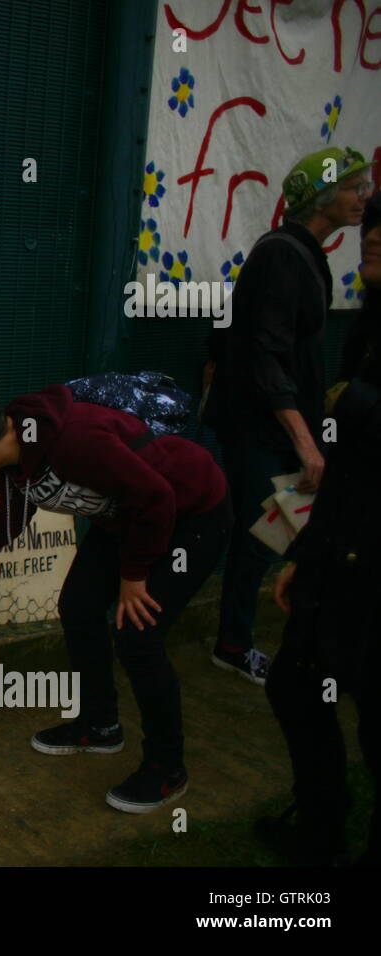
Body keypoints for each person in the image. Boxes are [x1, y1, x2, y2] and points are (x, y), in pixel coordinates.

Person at [0, 382, 232, 813]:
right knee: (78, 606)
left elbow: (156, 497)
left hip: (190, 514)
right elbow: (8, 522)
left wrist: (134, 575)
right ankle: (100, 724)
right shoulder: (15, 463)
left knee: (138, 636)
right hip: (125, 521)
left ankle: (167, 769)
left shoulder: (73, 441)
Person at [203, 146, 374, 686]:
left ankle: (236, 640)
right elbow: (267, 353)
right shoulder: (282, 254)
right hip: (264, 430)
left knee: (268, 537)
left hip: (274, 427)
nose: (364, 196)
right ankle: (233, 646)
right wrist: (303, 440)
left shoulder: (301, 253)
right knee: (260, 536)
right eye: (354, 187)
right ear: (321, 199)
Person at [258, 191, 381, 866]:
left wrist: (356, 405)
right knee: (297, 684)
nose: (373, 237)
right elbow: (351, 468)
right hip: (341, 546)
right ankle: (321, 825)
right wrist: (304, 553)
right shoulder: (366, 327)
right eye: (372, 227)